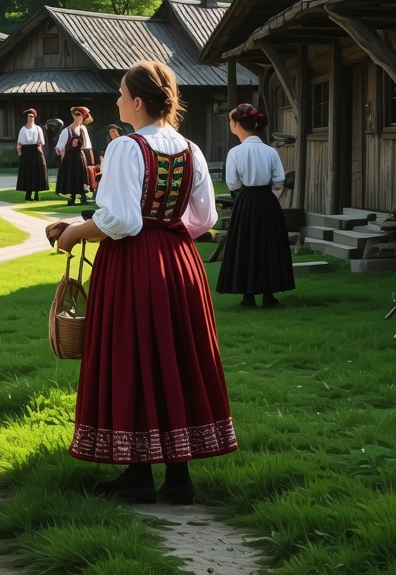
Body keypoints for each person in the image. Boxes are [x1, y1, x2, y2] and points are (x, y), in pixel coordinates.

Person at [46, 61, 236, 505]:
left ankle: (138, 475)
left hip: (133, 265)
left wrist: (74, 233)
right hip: (181, 263)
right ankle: (178, 477)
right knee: (175, 357)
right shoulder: (191, 148)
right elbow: (204, 218)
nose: (116, 100)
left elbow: (123, 221)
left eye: (120, 93)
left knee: (132, 355)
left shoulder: (126, 148)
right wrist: (166, 236)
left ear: (136, 101)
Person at [215, 103, 295, 308]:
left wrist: (247, 196)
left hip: (245, 202)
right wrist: (269, 199)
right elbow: (279, 181)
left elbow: (232, 184)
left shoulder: (235, 152)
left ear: (237, 125)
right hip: (268, 201)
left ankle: (248, 296)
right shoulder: (270, 151)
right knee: (269, 246)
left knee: (245, 245)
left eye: (231, 121)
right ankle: (269, 295)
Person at [55, 106, 95, 206]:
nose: (78, 117)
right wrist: (62, 156)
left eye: (80, 115)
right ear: (73, 116)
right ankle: (72, 198)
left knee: (82, 176)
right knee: (71, 176)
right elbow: (60, 147)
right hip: (69, 157)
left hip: (80, 156)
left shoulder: (83, 129)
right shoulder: (66, 131)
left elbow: (87, 145)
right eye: (76, 115)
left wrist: (90, 159)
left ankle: (83, 197)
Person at [16, 108, 48, 201]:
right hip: (26, 152)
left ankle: (37, 193)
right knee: (27, 173)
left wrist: (40, 149)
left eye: (32, 117)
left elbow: (41, 142)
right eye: (29, 116)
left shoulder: (38, 128)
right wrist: (19, 152)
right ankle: (28, 194)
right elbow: (19, 143)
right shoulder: (23, 129)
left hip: (35, 151)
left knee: (37, 172)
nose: (31, 118)